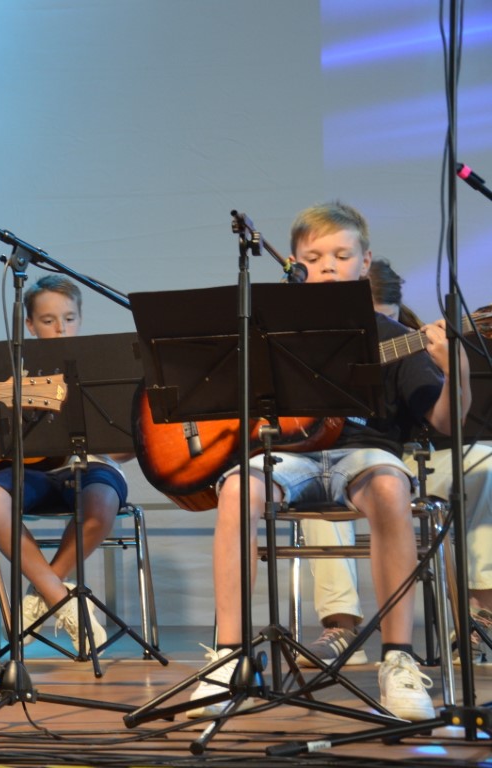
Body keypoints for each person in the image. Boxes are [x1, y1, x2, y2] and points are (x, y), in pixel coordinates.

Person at [187, 201, 471, 722]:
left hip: (363, 454)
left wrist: (457, 372)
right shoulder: (268, 334)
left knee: (390, 486)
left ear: (364, 263)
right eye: (315, 258)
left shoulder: (392, 336)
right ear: (295, 265)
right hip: (287, 456)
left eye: (342, 256)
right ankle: (228, 657)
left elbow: (445, 422)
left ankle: (398, 659)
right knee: (237, 490)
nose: (329, 267)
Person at [298, 258, 492, 667]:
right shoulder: (311, 343)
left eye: (381, 320)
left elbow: (445, 422)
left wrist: (449, 370)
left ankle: (480, 617)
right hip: (344, 458)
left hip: (413, 458)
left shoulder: (412, 338)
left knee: (484, 462)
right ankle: (340, 625)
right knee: (322, 476)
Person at [0, 275, 128, 650]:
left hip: (89, 466)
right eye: (48, 320)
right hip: (30, 470)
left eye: (69, 318)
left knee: (102, 500)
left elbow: (122, 452)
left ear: (80, 318)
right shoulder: (16, 363)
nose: (61, 328)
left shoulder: (101, 365)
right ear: (30, 325)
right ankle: (61, 598)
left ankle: (43, 593)